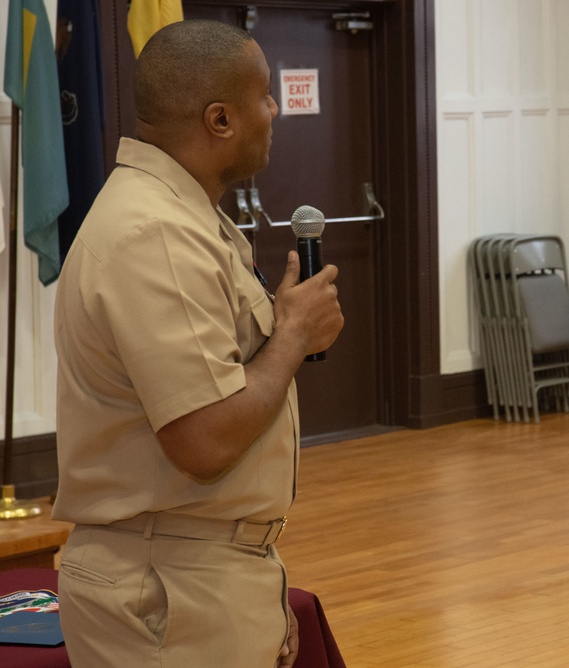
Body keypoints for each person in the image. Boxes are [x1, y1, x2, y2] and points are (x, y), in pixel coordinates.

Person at [51, 20, 344, 667]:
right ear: (219, 120)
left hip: (198, 570)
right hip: (171, 586)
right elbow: (203, 441)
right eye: (263, 97)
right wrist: (292, 334)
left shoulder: (183, 216)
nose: (274, 112)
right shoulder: (153, 232)